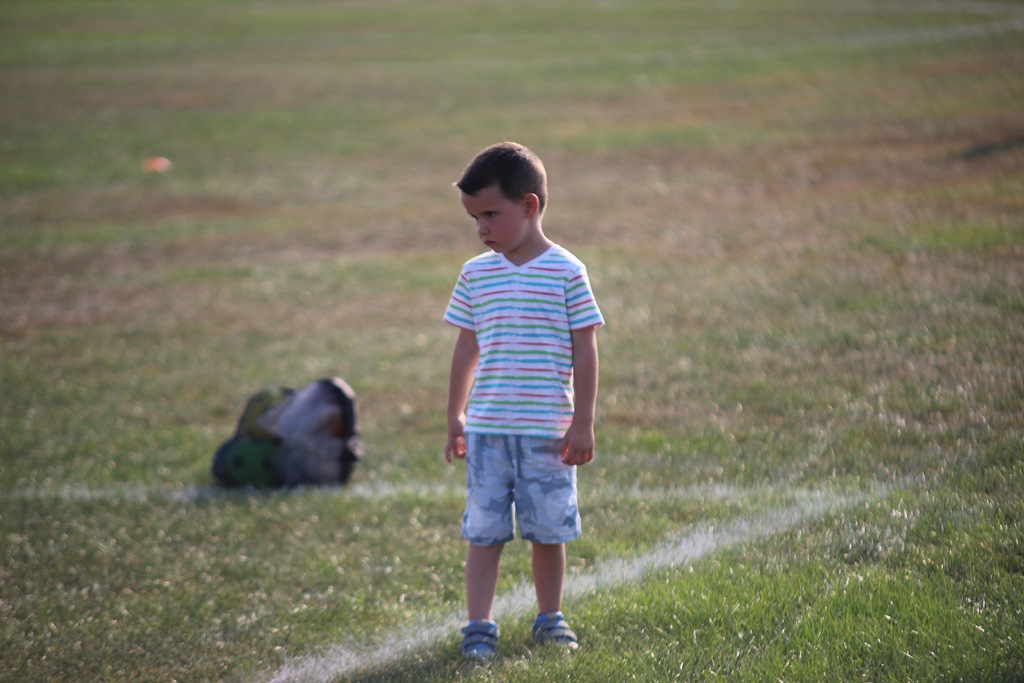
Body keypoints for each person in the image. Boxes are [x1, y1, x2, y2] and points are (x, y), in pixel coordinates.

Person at [443, 142, 604, 660]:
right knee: (484, 534)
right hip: (488, 432)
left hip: (547, 435)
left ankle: (549, 617)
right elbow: (466, 346)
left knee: (547, 532)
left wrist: (583, 422)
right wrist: (455, 415)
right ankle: (478, 627)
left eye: (491, 214)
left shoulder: (566, 271)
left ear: (530, 206)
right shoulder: (475, 274)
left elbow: (586, 348)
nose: (481, 228)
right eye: (474, 218)